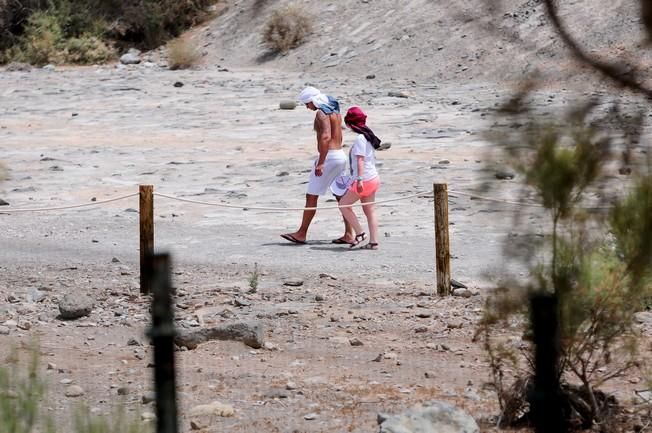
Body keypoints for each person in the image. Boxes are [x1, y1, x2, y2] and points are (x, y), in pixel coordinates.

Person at [280, 86, 353, 244]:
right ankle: (349, 233)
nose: (307, 107)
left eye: (307, 103)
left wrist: (321, 162)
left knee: (311, 196)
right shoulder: (335, 111)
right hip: (340, 156)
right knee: (341, 195)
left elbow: (326, 137)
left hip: (329, 158)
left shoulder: (321, 113)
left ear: (313, 100)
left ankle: (301, 233)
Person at [337, 106, 382, 250]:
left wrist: (359, 180)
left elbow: (360, 160)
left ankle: (360, 233)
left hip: (365, 179)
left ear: (350, 124)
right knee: (370, 210)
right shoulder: (368, 136)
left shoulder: (360, 139)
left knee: (343, 204)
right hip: (373, 177)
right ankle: (374, 242)